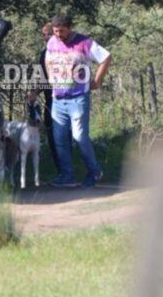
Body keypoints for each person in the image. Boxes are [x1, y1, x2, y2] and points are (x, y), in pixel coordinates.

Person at [44, 14, 112, 188]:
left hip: (78, 98)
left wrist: (97, 81)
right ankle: (67, 176)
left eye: (61, 31)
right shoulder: (52, 41)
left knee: (79, 136)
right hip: (58, 98)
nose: (58, 35)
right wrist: (50, 76)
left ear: (70, 27)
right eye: (55, 31)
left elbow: (106, 57)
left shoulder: (84, 42)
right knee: (59, 138)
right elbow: (48, 59)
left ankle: (94, 171)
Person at [29, 23, 62, 174]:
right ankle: (63, 172)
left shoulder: (62, 52)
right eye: (43, 35)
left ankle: (65, 172)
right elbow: (44, 79)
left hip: (61, 101)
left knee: (60, 137)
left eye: (46, 35)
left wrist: (35, 92)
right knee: (54, 136)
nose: (43, 38)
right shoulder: (44, 54)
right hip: (52, 101)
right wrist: (34, 93)